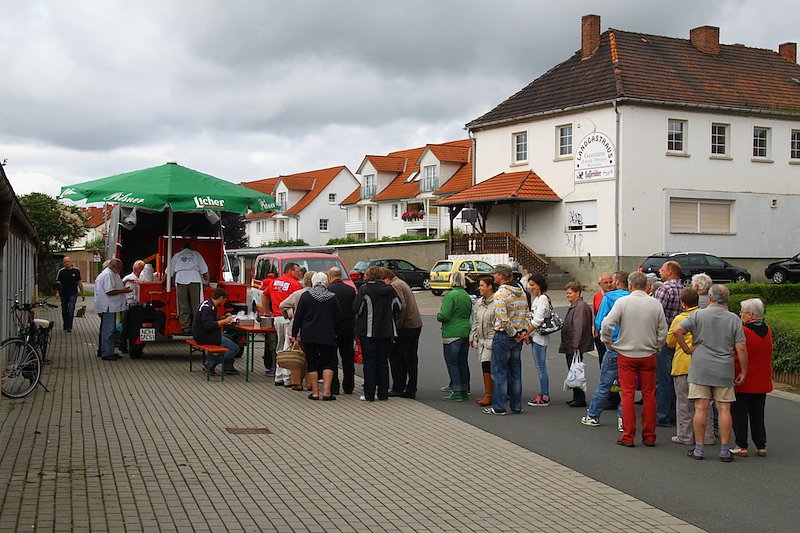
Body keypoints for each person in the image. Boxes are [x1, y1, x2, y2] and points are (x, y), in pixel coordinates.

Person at [672, 284, 748, 462]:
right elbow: (741, 347)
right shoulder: (733, 319)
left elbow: (677, 331)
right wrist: (744, 370)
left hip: (701, 367)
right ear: (726, 300)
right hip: (724, 368)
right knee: (724, 408)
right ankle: (724, 449)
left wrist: (687, 349)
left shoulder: (698, 315)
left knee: (700, 407)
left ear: (710, 298)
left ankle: (699, 448)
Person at [601, 271, 667, 447]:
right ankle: (649, 435)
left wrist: (606, 340)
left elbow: (607, 323)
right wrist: (657, 346)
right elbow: (663, 331)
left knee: (627, 394)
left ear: (630, 285)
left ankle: (628, 436)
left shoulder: (622, 302)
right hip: (648, 354)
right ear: (646, 285)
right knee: (649, 395)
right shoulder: (655, 304)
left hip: (627, 354)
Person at [667, 288, 715, 446]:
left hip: (683, 363)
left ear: (683, 303)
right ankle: (707, 436)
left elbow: (670, 341)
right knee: (704, 403)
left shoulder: (680, 319)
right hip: (703, 364)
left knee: (684, 404)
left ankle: (685, 435)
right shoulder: (706, 318)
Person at [582, 271, 629, 430]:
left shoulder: (609, 298)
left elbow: (601, 320)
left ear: (617, 282)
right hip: (631, 347)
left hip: (614, 345)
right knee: (627, 387)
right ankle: (624, 419)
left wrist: (606, 339)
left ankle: (593, 415)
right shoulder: (633, 297)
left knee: (604, 383)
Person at [484, 264, 531, 416]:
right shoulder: (521, 291)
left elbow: (503, 320)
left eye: (496, 274)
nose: (494, 276)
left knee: (499, 373)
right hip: (518, 338)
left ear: (501, 276)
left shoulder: (500, 294)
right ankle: (516, 405)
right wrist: (522, 332)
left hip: (504, 336)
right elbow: (526, 313)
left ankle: (499, 407)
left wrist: (513, 334)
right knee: (515, 372)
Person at [731, 298, 772, 458]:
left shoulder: (743, 331)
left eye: (742, 312)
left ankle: (741, 445)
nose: (740, 314)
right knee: (758, 413)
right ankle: (761, 445)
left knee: (740, 412)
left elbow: (738, 351)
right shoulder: (768, 330)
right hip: (762, 378)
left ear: (749, 314)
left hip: (743, 377)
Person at [290, 272, 341, 401]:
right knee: (328, 363)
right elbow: (339, 318)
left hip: (309, 335)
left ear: (313, 282)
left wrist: (294, 333)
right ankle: (327, 392)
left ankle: (314, 393)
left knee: (311, 363)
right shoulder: (332, 297)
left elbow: (298, 317)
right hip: (327, 335)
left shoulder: (306, 297)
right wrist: (337, 332)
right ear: (326, 282)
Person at [353, 266, 401, 402]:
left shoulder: (365, 289)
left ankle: (369, 394)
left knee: (369, 363)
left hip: (368, 333)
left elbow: (356, 308)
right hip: (386, 331)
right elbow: (398, 306)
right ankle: (383, 394)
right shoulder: (390, 290)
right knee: (383, 362)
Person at [384, 268, 422, 399]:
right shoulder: (401, 282)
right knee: (411, 357)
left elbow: (402, 306)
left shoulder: (395, 285)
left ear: (387, 278)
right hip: (415, 323)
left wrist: (397, 325)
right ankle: (411, 388)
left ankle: (398, 387)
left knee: (395, 356)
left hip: (406, 325)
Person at [264, 262, 303, 387]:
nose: (300, 273)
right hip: (288, 318)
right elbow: (299, 301)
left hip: (277, 318)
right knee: (288, 348)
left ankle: (278, 376)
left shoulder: (274, 282)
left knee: (280, 347)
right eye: (297, 271)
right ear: (290, 270)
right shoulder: (295, 284)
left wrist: (266, 311)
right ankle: (287, 378)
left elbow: (264, 296)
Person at [654, 260, 683, 427]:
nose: (660, 271)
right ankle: (673, 413)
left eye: (663, 269)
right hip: (678, 338)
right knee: (674, 377)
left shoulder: (665, 289)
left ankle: (661, 415)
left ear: (670, 272)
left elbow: (656, 313)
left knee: (662, 379)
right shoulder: (683, 288)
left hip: (664, 338)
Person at [437, 271, 473, 401]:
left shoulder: (450, 295)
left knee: (452, 363)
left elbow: (445, 315)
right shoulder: (466, 295)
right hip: (465, 330)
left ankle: (457, 390)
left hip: (452, 332)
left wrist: (438, 316)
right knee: (462, 362)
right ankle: (464, 388)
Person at [559, 282, 593, 408]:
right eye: (567, 293)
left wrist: (575, 344)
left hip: (574, 346)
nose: (568, 295)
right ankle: (576, 397)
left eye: (570, 293)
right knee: (574, 371)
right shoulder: (577, 305)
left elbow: (578, 327)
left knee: (576, 371)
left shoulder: (580, 307)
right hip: (572, 344)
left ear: (577, 293)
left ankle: (579, 399)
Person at [192, 288, 239, 376]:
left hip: (202, 334)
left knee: (229, 337)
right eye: (224, 300)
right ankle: (210, 363)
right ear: (221, 298)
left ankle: (228, 367)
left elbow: (212, 320)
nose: (224, 302)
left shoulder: (208, 304)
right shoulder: (207, 308)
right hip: (205, 336)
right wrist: (224, 322)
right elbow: (208, 325)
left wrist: (224, 317)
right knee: (234, 349)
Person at [280, 270, 314, 390]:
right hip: (311, 330)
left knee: (296, 357)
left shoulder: (297, 294)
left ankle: (297, 383)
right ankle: (310, 383)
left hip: (296, 329)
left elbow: (282, 305)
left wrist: (286, 316)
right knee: (310, 357)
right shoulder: (318, 294)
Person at [94, 259, 132, 361]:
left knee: (111, 330)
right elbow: (109, 291)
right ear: (114, 266)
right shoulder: (108, 275)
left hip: (111, 306)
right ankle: (106, 353)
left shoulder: (110, 274)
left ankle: (110, 351)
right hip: (108, 306)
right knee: (108, 330)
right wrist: (123, 290)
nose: (119, 270)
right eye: (119, 268)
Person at [168, 241, 209, 334]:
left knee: (183, 306)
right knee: (196, 306)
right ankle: (197, 328)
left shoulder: (177, 255)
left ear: (182, 248)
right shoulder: (196, 254)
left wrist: (161, 282)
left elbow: (169, 273)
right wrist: (207, 281)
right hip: (195, 280)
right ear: (190, 248)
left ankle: (185, 328)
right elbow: (204, 271)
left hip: (180, 280)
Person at [327, 267, 356, 395]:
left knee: (332, 358)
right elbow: (355, 310)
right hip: (348, 328)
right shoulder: (351, 290)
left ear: (330, 276)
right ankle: (349, 386)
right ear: (340, 275)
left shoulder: (328, 291)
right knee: (348, 358)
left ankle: (334, 387)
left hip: (332, 329)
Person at [592, 272, 619, 410]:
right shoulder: (597, 296)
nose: (609, 285)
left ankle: (613, 397)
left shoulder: (616, 296)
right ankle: (608, 395)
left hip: (613, 336)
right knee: (603, 365)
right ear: (600, 284)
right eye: (606, 283)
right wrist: (596, 331)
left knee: (612, 369)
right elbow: (597, 314)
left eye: (610, 282)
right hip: (601, 335)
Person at [526, 273, 552, 407]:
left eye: (533, 285)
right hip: (536, 337)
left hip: (540, 338)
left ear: (539, 285)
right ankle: (543, 394)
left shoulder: (542, 299)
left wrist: (527, 334)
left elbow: (538, 320)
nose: (531, 288)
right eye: (530, 285)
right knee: (540, 367)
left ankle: (544, 395)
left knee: (541, 367)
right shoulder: (537, 299)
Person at [471, 275, 497, 406]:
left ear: (490, 286)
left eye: (482, 285)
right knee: (485, 366)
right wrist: (472, 335)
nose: (479, 288)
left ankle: (490, 395)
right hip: (481, 340)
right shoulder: (479, 303)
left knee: (488, 366)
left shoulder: (497, 302)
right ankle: (489, 393)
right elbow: (475, 321)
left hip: (492, 339)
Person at [119, 260, 145, 354]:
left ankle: (136, 347)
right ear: (135, 269)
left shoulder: (143, 278)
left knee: (136, 327)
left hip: (139, 306)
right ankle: (123, 346)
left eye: (143, 268)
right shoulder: (128, 278)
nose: (142, 270)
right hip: (129, 305)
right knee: (126, 326)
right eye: (141, 268)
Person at [55, 255, 84, 332]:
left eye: (68, 261)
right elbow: (58, 283)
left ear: (71, 262)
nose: (67, 263)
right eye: (65, 262)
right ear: (63, 263)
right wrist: (57, 292)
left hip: (73, 293)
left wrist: (82, 293)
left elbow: (79, 282)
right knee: (64, 310)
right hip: (63, 293)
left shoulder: (76, 271)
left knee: (71, 309)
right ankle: (65, 323)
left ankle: (69, 326)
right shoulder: (61, 272)